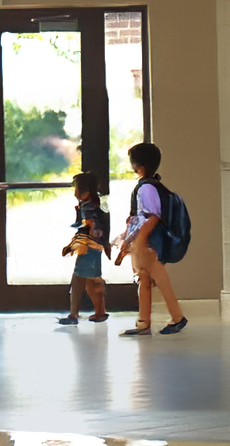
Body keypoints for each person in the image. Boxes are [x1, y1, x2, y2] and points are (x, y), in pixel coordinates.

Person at [112, 141, 187, 336]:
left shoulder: (146, 188)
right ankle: (144, 323)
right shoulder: (150, 186)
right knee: (144, 280)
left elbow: (152, 217)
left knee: (157, 280)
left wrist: (139, 240)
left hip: (146, 244)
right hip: (144, 242)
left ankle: (176, 317)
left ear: (140, 166)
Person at [55, 171, 109, 326]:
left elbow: (89, 227)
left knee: (80, 282)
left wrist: (75, 244)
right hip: (94, 247)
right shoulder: (96, 204)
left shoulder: (87, 206)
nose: (75, 193)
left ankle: (74, 315)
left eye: (76, 189)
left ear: (85, 192)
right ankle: (99, 312)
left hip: (88, 248)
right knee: (91, 282)